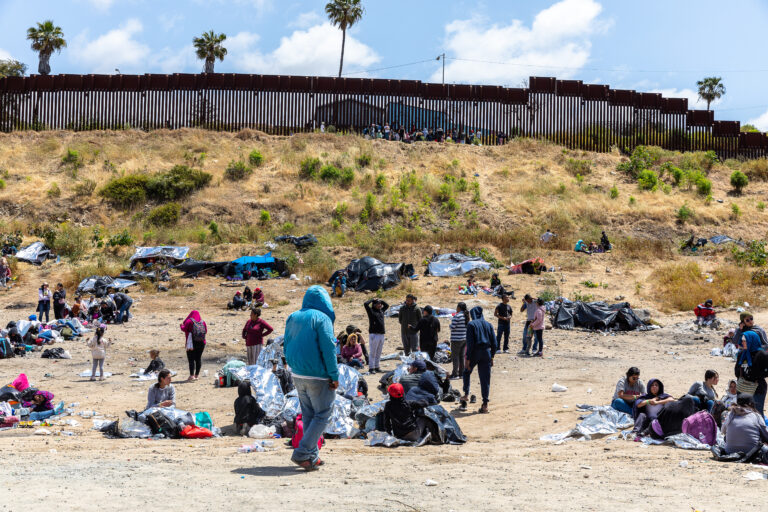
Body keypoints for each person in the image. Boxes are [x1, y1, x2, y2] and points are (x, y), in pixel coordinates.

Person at [283, 285, 338, 471]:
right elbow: (329, 349)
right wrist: (334, 375)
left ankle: (312, 457)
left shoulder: (293, 316)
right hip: (318, 376)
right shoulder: (322, 319)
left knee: (309, 415)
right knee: (323, 414)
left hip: (297, 373)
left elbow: (286, 344)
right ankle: (302, 453)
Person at [462, 306, 496, 414]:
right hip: (486, 352)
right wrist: (492, 356)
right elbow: (495, 343)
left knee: (466, 371)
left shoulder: (471, 325)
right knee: (485, 379)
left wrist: (467, 358)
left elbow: (470, 343)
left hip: (475, 352)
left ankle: (466, 394)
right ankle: (485, 405)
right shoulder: (489, 325)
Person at [363, 298, 389, 374]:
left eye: (380, 304)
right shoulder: (371, 311)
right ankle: (371, 368)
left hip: (381, 334)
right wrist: (372, 299)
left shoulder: (381, 311)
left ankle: (377, 366)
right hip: (374, 334)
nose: (380, 305)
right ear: (374, 305)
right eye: (378, 303)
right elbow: (365, 304)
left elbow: (387, 305)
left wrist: (381, 300)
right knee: (373, 352)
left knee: (379, 352)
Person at [181, 310, 207, 382]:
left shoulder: (189, 321)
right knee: (198, 359)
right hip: (202, 343)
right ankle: (197, 375)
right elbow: (206, 331)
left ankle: (192, 375)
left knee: (191, 359)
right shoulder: (203, 322)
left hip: (191, 343)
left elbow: (184, 329)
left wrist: (181, 326)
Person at [449, 303, 469, 379]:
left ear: (459, 308)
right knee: (462, 356)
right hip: (464, 339)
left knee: (455, 357)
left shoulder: (457, 316)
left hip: (456, 339)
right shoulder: (466, 316)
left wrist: (449, 325)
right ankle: (461, 373)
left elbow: (453, 327)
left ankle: (454, 374)